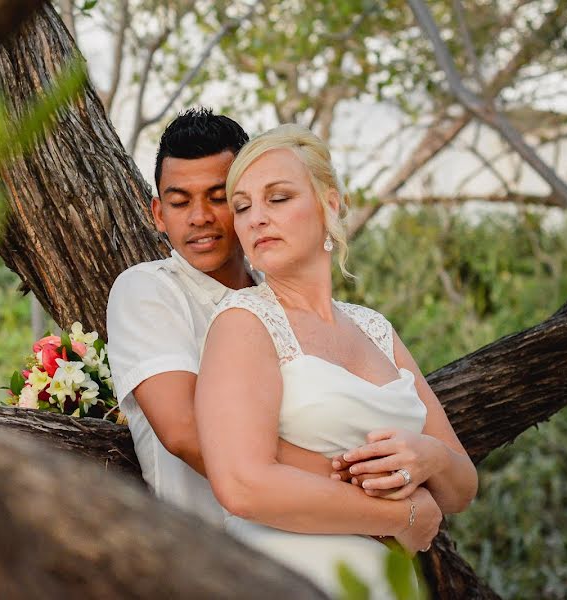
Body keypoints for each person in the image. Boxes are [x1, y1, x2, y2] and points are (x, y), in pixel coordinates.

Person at [195, 124, 478, 598]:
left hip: (384, 583)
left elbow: (462, 485)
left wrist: (426, 456)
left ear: (330, 204)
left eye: (278, 198)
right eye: (242, 206)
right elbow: (242, 484)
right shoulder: (243, 322)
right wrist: (404, 515)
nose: (257, 218)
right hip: (287, 576)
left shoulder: (375, 328)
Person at [106, 109, 331, 526]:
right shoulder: (148, 290)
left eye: (218, 197)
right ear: (158, 213)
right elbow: (185, 431)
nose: (199, 218)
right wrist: (349, 494)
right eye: (179, 201)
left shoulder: (284, 297)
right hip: (212, 556)